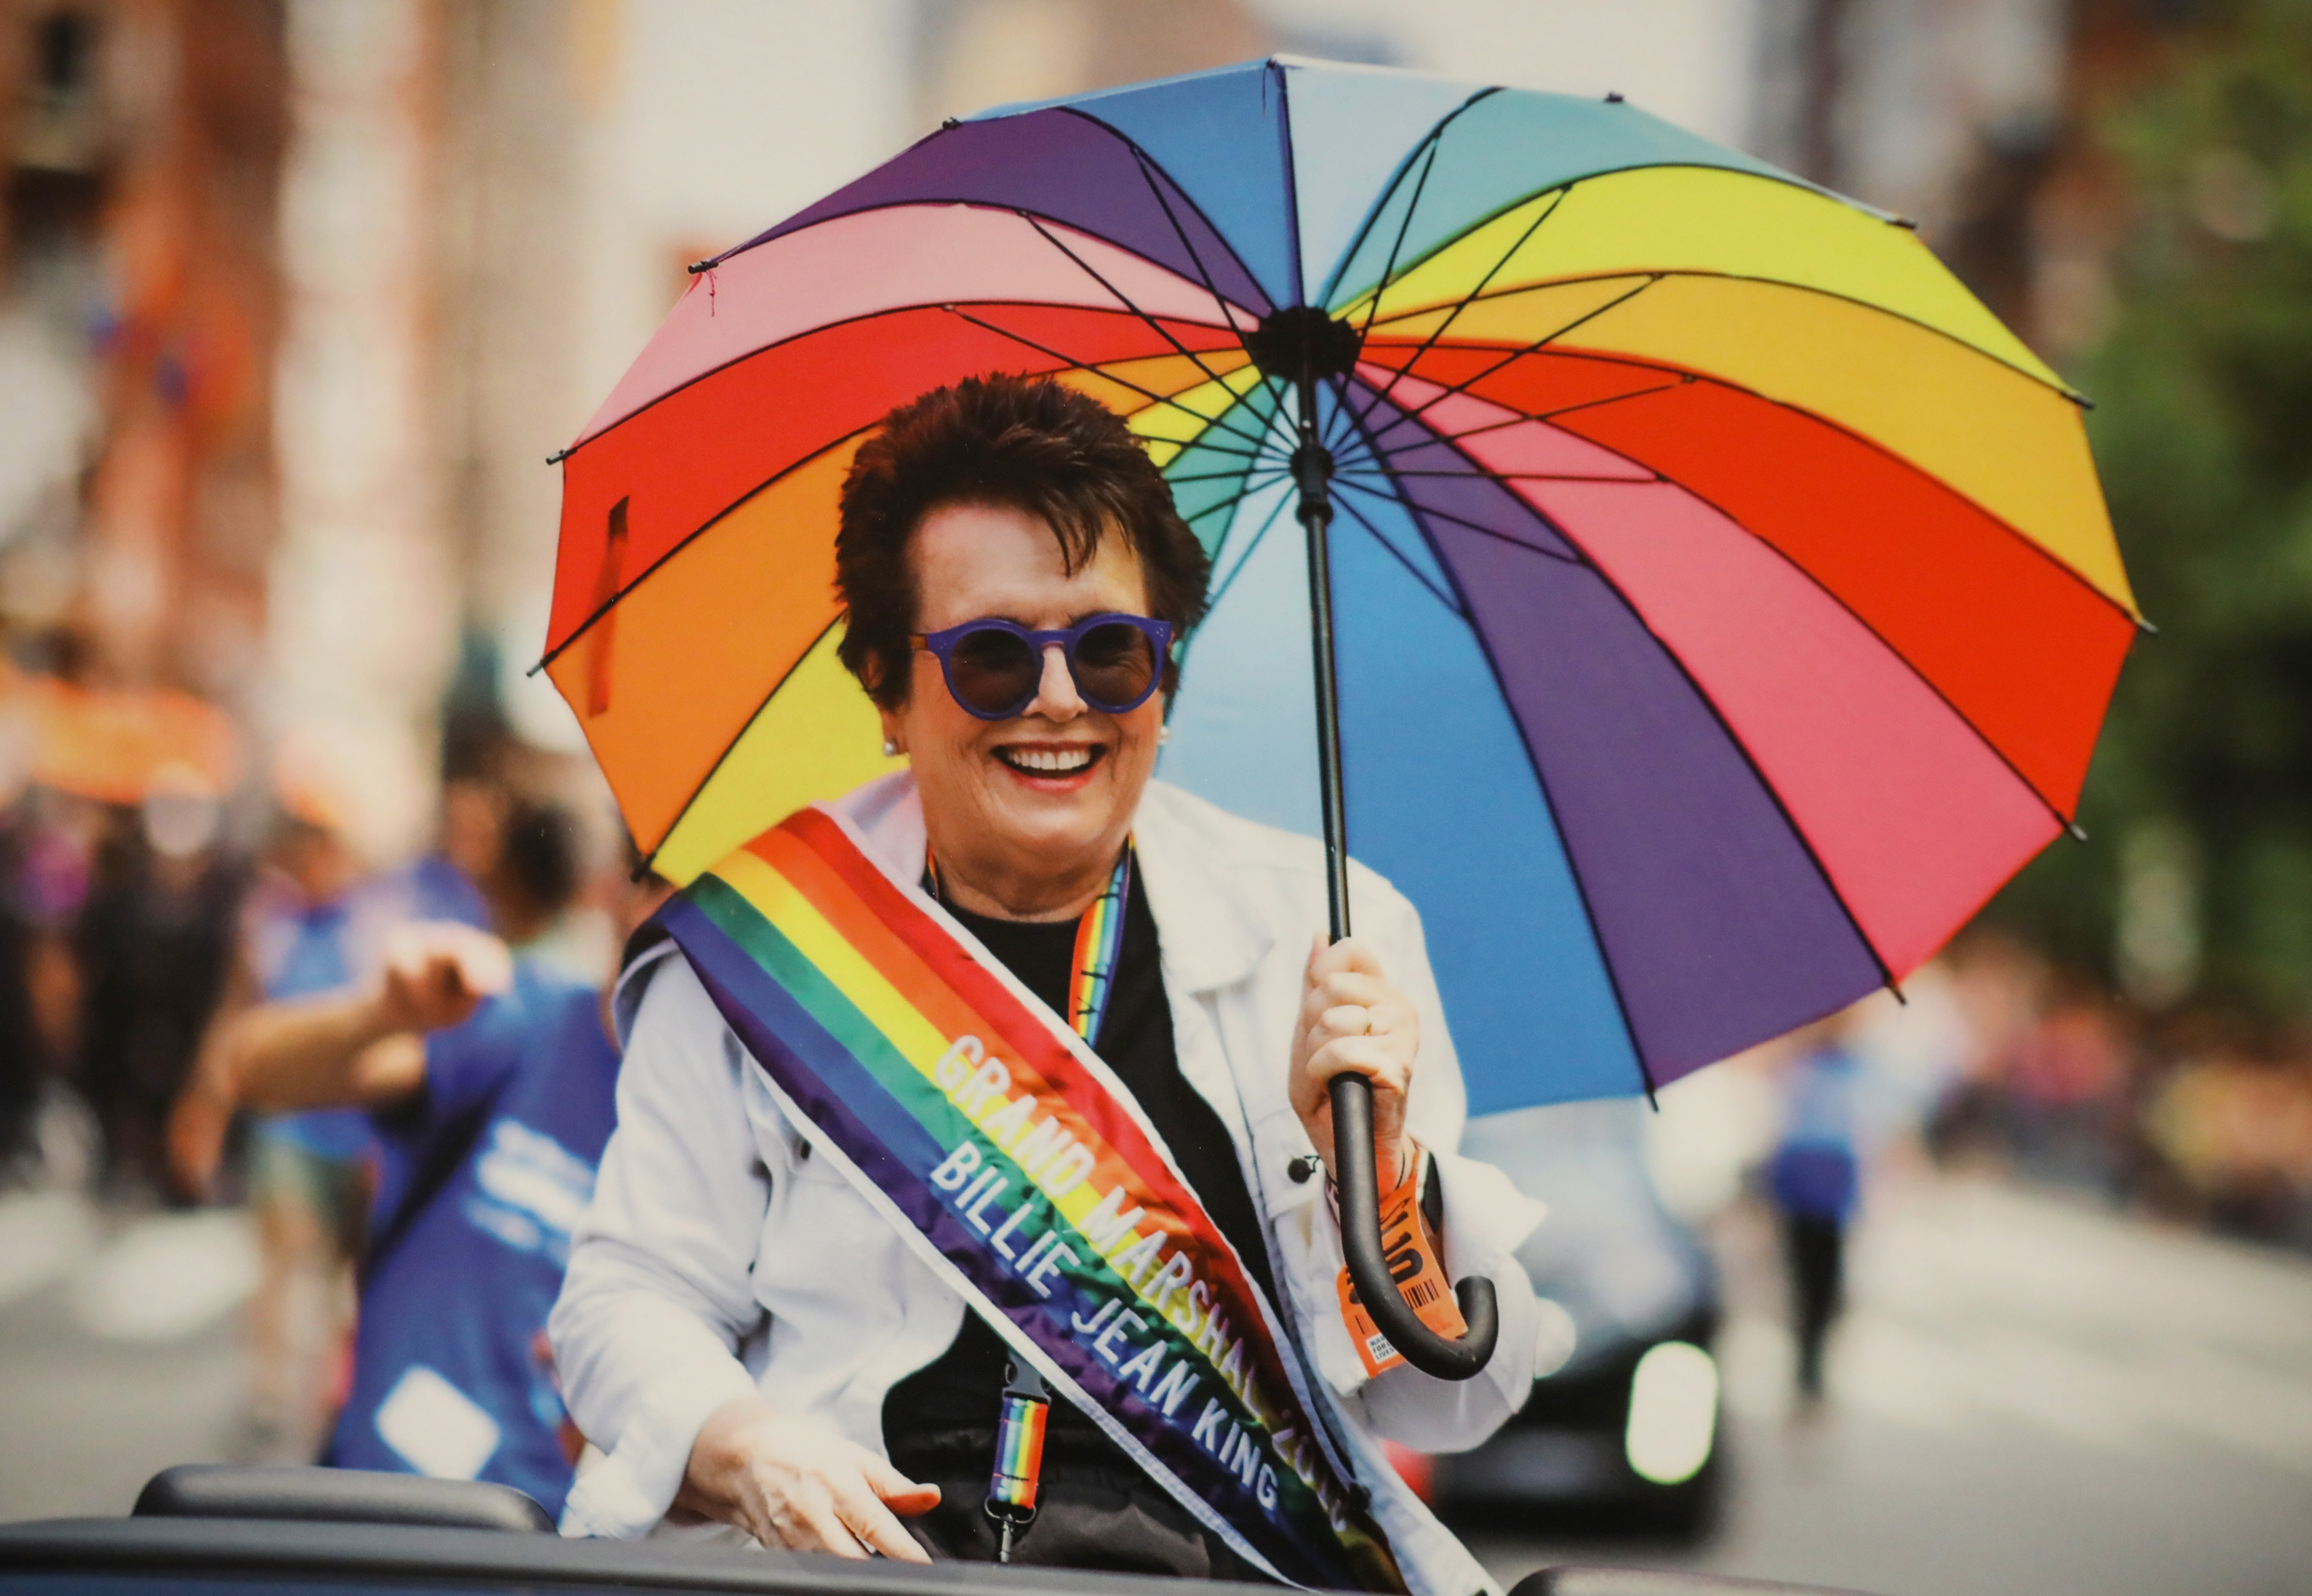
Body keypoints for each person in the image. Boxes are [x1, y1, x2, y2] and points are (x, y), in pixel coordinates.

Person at [550, 375, 1543, 1594]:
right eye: (990, 658)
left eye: (1109, 650)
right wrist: (741, 1446)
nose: (1060, 700)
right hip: (867, 1571)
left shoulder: (1327, 936)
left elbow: (1458, 1400)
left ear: (1163, 681)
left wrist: (1371, 1172)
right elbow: (624, 1297)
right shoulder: (761, 954)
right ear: (882, 685)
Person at [187, 832, 667, 1515]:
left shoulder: (747, 1129)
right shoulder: (521, 1016)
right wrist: (378, 1014)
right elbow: (253, 1069)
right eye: (665, 880)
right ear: (614, 889)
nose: (688, 920)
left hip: (564, 1550)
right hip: (384, 1512)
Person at [1767, 1014, 1866, 1404]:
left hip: (1831, 1192)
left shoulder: (1850, 1068)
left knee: (1826, 1288)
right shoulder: (1799, 1067)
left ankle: (1811, 1364)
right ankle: (1806, 1364)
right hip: (1803, 1188)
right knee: (1807, 1285)